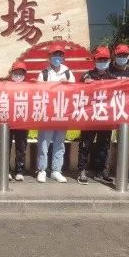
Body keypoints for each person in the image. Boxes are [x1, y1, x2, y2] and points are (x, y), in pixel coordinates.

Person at [36, 42, 75, 183]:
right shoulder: (43, 74)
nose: (57, 57)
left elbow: (75, 91)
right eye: (55, 54)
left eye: (60, 54)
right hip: (47, 113)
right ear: (49, 56)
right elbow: (38, 92)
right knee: (44, 143)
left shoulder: (68, 73)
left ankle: (56, 170)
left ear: (63, 57)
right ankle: (41, 170)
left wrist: (68, 85)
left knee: (60, 143)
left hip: (63, 113)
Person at [76, 47, 116, 185]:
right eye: (99, 59)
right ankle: (82, 170)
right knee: (85, 144)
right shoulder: (87, 76)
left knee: (103, 145)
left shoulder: (113, 78)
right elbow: (76, 91)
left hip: (105, 117)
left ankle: (100, 171)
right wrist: (84, 83)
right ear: (94, 60)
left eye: (104, 59)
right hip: (89, 116)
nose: (102, 62)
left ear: (109, 61)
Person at [8, 61, 29, 181]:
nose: (18, 75)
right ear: (11, 74)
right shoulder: (6, 86)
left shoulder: (29, 87)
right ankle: (6, 170)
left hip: (22, 121)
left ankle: (19, 170)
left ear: (24, 75)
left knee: (21, 147)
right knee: (6, 146)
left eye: (21, 73)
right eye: (16, 73)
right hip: (8, 122)